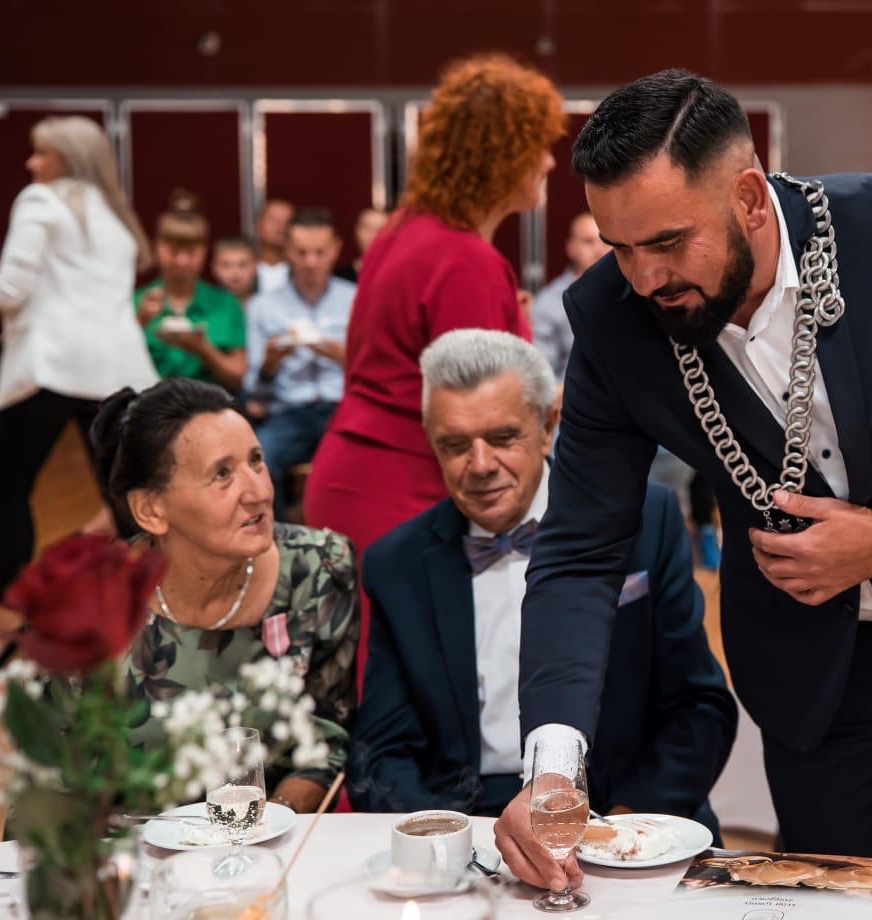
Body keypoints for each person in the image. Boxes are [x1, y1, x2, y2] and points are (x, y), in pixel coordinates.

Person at [496, 71, 872, 903]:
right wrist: (554, 765)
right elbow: (579, 549)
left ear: (749, 198)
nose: (643, 279)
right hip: (815, 669)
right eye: (620, 248)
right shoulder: (612, 320)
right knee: (832, 914)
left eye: (667, 242)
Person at [348, 330, 736, 826]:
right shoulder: (397, 564)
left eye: (503, 438)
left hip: (621, 805)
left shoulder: (643, 520)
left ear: (549, 425)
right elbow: (382, 749)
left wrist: (626, 823)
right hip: (470, 819)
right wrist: (447, 839)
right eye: (455, 445)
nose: (480, 465)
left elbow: (699, 706)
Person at [303, 53, 562, 678]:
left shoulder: (407, 230)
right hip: (405, 486)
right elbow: (481, 409)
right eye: (540, 146)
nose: (551, 162)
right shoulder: (465, 259)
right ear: (504, 154)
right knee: (414, 685)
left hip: (354, 470)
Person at [92, 377, 357, 812]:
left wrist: (259, 828)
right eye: (222, 474)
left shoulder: (318, 568)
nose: (260, 492)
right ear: (151, 510)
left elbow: (326, 741)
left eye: (257, 461)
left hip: (271, 836)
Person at [0, 115, 159, 593]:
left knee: (6, 486)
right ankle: (154, 599)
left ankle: (15, 606)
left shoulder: (40, 200)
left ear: (67, 158)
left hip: (52, 366)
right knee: (125, 493)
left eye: (41, 153)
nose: (32, 163)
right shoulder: (115, 214)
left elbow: (9, 291)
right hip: (117, 371)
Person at [244, 208, 353, 522]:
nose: (311, 262)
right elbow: (254, 394)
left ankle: (357, 542)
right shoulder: (263, 306)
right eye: (302, 252)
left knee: (371, 458)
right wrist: (269, 364)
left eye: (319, 252)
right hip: (290, 410)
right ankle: (277, 544)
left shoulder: (354, 299)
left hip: (342, 407)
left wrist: (347, 358)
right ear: (287, 251)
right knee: (260, 460)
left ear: (335, 249)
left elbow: (376, 373)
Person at [134, 201, 246, 390]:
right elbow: (112, 368)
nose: (182, 261)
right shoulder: (136, 303)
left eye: (191, 252)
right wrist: (140, 322)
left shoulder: (226, 304)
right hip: (148, 402)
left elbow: (239, 378)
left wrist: (203, 349)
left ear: (204, 251)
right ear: (157, 247)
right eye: (174, 251)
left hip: (210, 403)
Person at [532, 212, 610, 380]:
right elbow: (540, 376)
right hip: (570, 391)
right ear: (571, 248)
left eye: (605, 241)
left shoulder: (634, 292)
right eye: (588, 241)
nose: (599, 249)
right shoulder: (549, 303)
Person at [334, 207, 389, 284]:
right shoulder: (340, 278)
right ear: (356, 231)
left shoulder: (398, 275)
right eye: (367, 228)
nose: (373, 235)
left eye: (380, 230)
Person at [253, 199, 294, 294]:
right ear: (258, 225)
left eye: (287, 222)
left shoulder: (305, 270)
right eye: (273, 220)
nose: (280, 227)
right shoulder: (243, 269)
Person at [212, 235, 259, 303]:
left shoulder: (269, 304)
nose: (235, 272)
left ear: (255, 267)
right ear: (214, 268)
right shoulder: (203, 305)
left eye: (242, 265)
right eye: (226, 265)